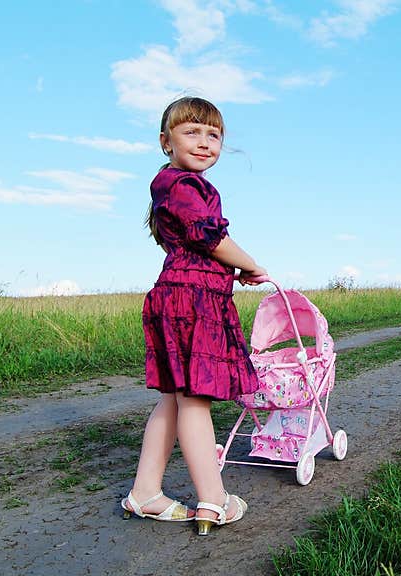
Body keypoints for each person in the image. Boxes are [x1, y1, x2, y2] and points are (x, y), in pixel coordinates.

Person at [121, 96, 267, 536]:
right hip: (192, 301)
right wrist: (250, 263)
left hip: (183, 294)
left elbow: (197, 243)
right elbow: (210, 237)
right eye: (191, 132)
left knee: (175, 394)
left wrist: (229, 267)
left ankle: (145, 491)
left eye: (214, 135)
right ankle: (214, 499)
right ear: (166, 141)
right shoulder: (182, 184)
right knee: (194, 398)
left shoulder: (176, 186)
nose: (204, 142)